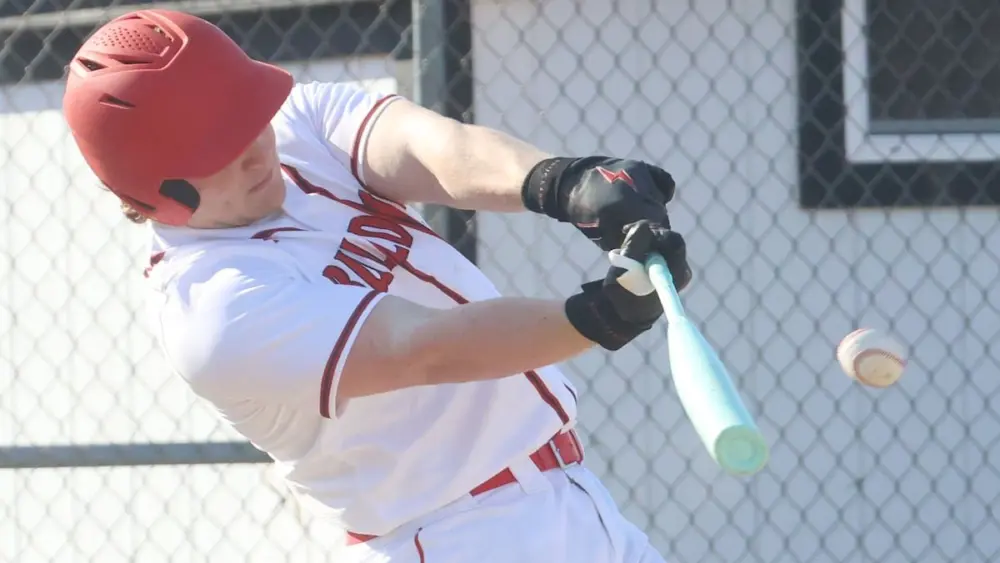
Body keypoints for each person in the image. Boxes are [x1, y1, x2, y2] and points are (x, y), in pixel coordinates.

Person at [63, 9, 692, 563]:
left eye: (247, 119)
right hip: (455, 536)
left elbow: (436, 151)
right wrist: (599, 314)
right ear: (155, 193)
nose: (257, 151)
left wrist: (565, 182)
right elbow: (426, 348)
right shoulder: (213, 307)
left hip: (575, 501)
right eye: (218, 151)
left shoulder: (295, 130)